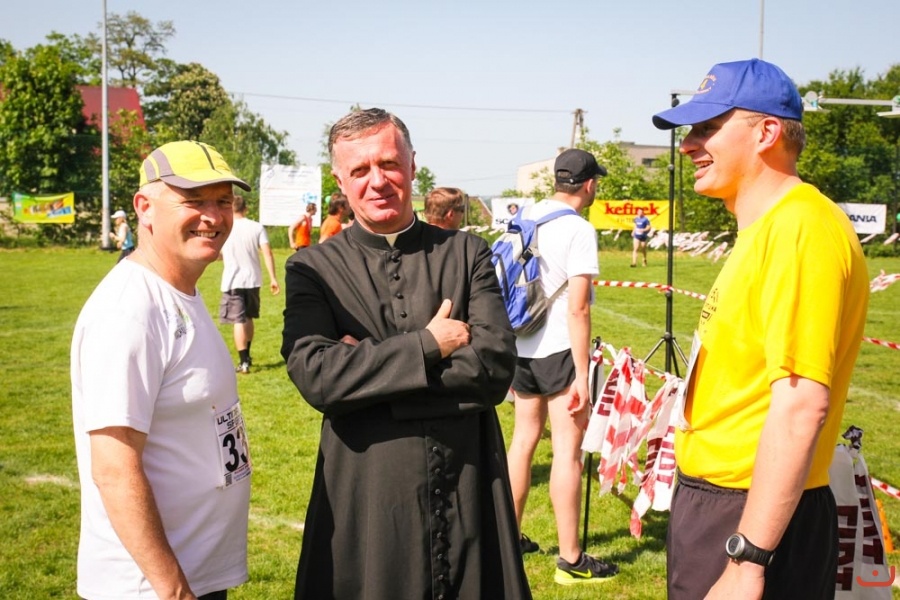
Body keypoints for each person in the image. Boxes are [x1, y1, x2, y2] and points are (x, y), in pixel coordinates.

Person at [281, 107, 531, 599]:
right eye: (359, 170)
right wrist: (428, 345)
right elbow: (318, 376)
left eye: (389, 164)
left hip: (467, 483)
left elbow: (494, 366)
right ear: (340, 180)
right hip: (369, 494)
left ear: (413, 165)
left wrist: (369, 375)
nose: (377, 181)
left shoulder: (467, 253)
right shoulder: (313, 268)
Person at [652, 58, 869, 599]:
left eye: (707, 128)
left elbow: (801, 404)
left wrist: (748, 558)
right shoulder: (767, 227)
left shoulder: (799, 227)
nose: (688, 146)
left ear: (766, 132)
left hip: (749, 514)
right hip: (724, 502)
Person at [71, 140, 254, 599]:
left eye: (223, 201)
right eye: (193, 200)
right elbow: (114, 469)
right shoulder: (129, 311)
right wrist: (174, 589)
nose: (213, 216)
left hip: (192, 573)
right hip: (151, 586)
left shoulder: (179, 292)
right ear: (144, 207)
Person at [505, 148, 619, 585]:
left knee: (522, 443)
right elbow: (578, 309)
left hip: (521, 345)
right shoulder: (579, 229)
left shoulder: (526, 215)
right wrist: (582, 375)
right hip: (558, 350)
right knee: (568, 454)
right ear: (589, 184)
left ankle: (510, 538)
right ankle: (571, 560)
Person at [219, 194, 280, 374]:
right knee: (249, 317)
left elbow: (218, 253)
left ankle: (243, 361)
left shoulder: (225, 227)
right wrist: (273, 278)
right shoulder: (256, 227)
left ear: (231, 208)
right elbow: (267, 253)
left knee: (238, 321)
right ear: (246, 208)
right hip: (253, 279)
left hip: (233, 280)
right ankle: (248, 355)